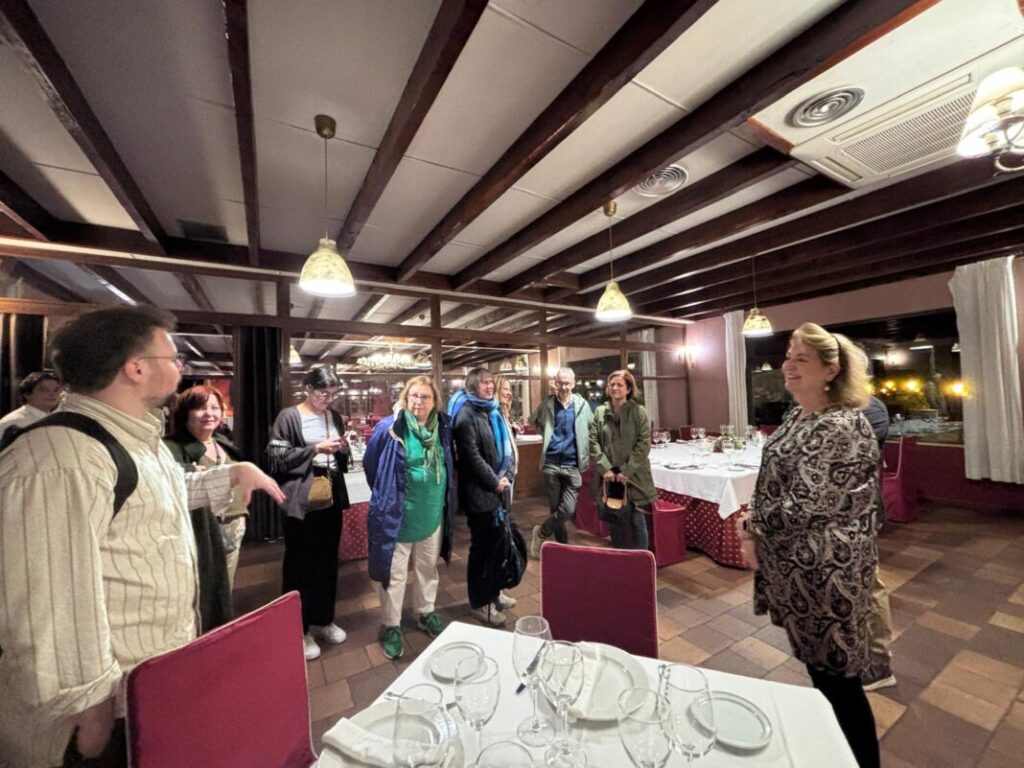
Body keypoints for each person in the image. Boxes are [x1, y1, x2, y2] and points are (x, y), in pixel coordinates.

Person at [0, 306, 283, 768]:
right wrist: (89, 706)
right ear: (135, 368)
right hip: (98, 715)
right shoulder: (62, 458)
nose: (180, 367)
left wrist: (231, 473)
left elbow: (161, 497)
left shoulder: (135, 440)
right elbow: (47, 599)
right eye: (172, 357)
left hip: (146, 685)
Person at [738, 322, 880, 768]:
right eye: (788, 357)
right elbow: (772, 481)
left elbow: (807, 503)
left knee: (839, 682)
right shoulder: (797, 415)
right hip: (798, 568)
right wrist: (755, 521)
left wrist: (749, 526)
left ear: (831, 370)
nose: (788, 367)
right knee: (821, 673)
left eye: (801, 359)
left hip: (827, 572)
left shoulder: (842, 425)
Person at [363, 376, 456, 660]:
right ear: (405, 398)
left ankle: (425, 612)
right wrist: (388, 496)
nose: (418, 402)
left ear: (434, 401)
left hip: (432, 513)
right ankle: (391, 625)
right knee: (394, 574)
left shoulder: (443, 427)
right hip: (398, 516)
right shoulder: (390, 428)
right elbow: (371, 466)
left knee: (428, 568)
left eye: (425, 397)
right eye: (413, 396)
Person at [267, 367, 351, 661]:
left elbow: (340, 458)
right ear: (308, 389)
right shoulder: (289, 417)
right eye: (322, 393)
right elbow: (276, 457)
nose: (328, 399)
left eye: (333, 394)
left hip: (330, 493)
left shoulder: (334, 416)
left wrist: (341, 448)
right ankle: (298, 628)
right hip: (302, 498)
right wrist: (315, 449)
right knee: (300, 564)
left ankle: (323, 619)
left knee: (328, 561)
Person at [164, 385, 249, 592]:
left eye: (215, 408)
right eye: (201, 408)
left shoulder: (222, 442)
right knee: (200, 588)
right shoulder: (171, 447)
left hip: (233, 521)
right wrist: (188, 469)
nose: (209, 413)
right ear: (185, 412)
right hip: (199, 527)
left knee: (225, 586)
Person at [451, 367, 516, 626]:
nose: (489, 387)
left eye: (491, 382)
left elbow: (505, 449)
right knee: (482, 549)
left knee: (498, 546)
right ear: (472, 387)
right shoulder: (465, 415)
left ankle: (495, 591)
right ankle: (480, 602)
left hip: (498, 490)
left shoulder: (491, 410)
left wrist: (506, 475)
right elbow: (471, 457)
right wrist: (495, 482)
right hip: (480, 495)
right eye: (484, 383)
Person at [529, 366, 593, 555]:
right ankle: (563, 548)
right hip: (551, 463)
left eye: (567, 383)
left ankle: (541, 532)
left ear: (573, 384)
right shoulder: (548, 404)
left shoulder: (582, 406)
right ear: (556, 383)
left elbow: (591, 428)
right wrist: (547, 435)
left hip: (573, 465)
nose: (564, 387)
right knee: (555, 508)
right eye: (560, 383)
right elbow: (533, 420)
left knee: (567, 510)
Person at [589, 370, 656, 550]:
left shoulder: (638, 412)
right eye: (612, 384)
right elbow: (593, 442)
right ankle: (620, 559)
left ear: (628, 389)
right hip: (610, 476)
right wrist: (606, 469)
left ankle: (641, 561)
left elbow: (644, 444)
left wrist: (626, 471)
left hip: (633, 475)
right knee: (615, 519)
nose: (615, 388)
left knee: (637, 519)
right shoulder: (600, 412)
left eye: (619, 384)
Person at [860, 393, 897, 692]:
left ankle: (878, 666)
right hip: (828, 517)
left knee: (868, 584)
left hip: (860, 511)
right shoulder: (813, 408)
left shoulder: (870, 408)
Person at [491, 374, 520, 612]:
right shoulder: (493, 416)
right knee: (496, 540)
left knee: (502, 538)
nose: (509, 393)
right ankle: (492, 593)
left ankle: (498, 590)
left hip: (507, 483)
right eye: (505, 389)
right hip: (499, 484)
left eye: (511, 389)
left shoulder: (503, 416)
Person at [0, 370, 63, 447]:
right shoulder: (14, 423)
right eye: (44, 390)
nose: (52, 394)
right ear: (27, 394)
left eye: (56, 390)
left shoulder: (57, 419)